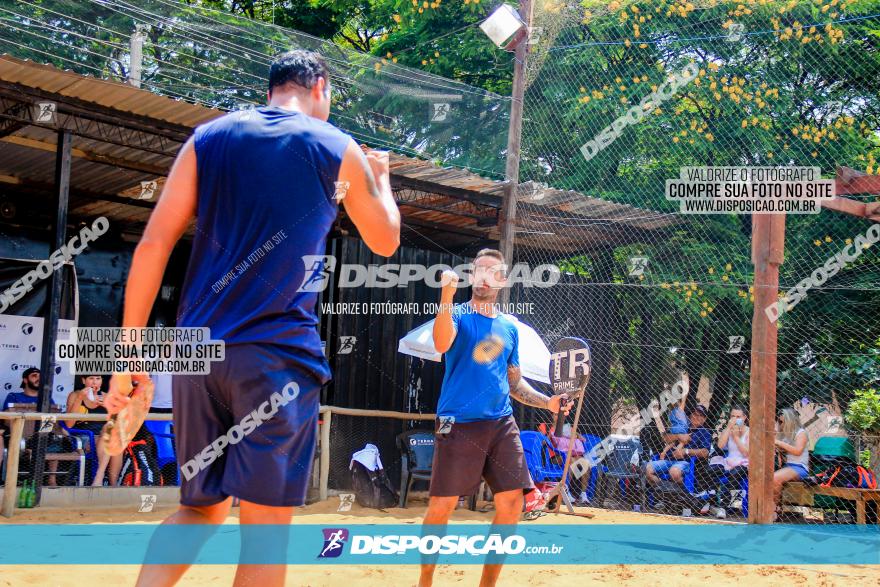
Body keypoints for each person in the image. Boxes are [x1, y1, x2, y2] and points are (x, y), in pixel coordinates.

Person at [103, 49, 400, 587]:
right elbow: (384, 240)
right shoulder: (335, 146)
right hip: (275, 359)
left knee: (202, 508)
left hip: (198, 356)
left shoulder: (209, 138)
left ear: (272, 87)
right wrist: (381, 183)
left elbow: (153, 245)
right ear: (320, 88)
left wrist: (126, 360)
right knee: (265, 534)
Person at [419, 249, 572, 587]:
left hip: (501, 423)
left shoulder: (509, 329)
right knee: (442, 506)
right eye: (479, 270)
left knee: (511, 505)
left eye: (492, 271)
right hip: (455, 422)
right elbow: (441, 343)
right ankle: (425, 581)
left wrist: (548, 402)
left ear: (502, 280)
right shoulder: (457, 314)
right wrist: (445, 293)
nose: (484, 275)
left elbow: (513, 380)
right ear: (472, 277)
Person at [2, 367, 67, 486]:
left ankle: (52, 480)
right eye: (34, 376)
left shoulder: (47, 399)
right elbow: (5, 420)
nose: (38, 379)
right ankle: (11, 481)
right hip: (19, 437)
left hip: (43, 435)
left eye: (40, 376)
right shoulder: (14, 396)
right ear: (25, 380)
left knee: (54, 439)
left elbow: (54, 420)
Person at [646, 404, 713, 514]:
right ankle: (666, 495)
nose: (697, 417)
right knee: (648, 469)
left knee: (674, 472)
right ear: (690, 416)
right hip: (668, 460)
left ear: (705, 419)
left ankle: (681, 499)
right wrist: (678, 436)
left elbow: (705, 452)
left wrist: (685, 451)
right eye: (695, 414)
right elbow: (666, 438)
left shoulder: (705, 432)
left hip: (685, 462)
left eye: (701, 416)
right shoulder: (682, 426)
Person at [64, 374, 123, 486]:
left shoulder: (107, 396)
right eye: (91, 378)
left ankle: (107, 482)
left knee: (112, 437)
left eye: (98, 378)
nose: (94, 382)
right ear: (83, 380)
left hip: (105, 436)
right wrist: (80, 398)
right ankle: (107, 482)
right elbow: (69, 424)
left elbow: (117, 422)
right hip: (83, 437)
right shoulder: (75, 395)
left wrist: (108, 407)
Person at [707, 405, 749, 517]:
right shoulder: (729, 430)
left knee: (733, 474)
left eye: (738, 416)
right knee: (712, 470)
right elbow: (720, 445)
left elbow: (746, 453)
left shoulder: (749, 432)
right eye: (733, 416)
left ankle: (724, 507)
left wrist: (736, 437)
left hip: (744, 464)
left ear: (744, 417)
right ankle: (712, 503)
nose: (735, 419)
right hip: (729, 462)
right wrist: (728, 428)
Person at [773, 407, 810, 519]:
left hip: (799, 467)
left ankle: (774, 509)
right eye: (779, 421)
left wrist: (779, 442)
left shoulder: (801, 433)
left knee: (775, 478)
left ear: (790, 421)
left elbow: (797, 451)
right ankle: (773, 507)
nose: (780, 424)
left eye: (781, 422)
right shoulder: (784, 434)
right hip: (787, 466)